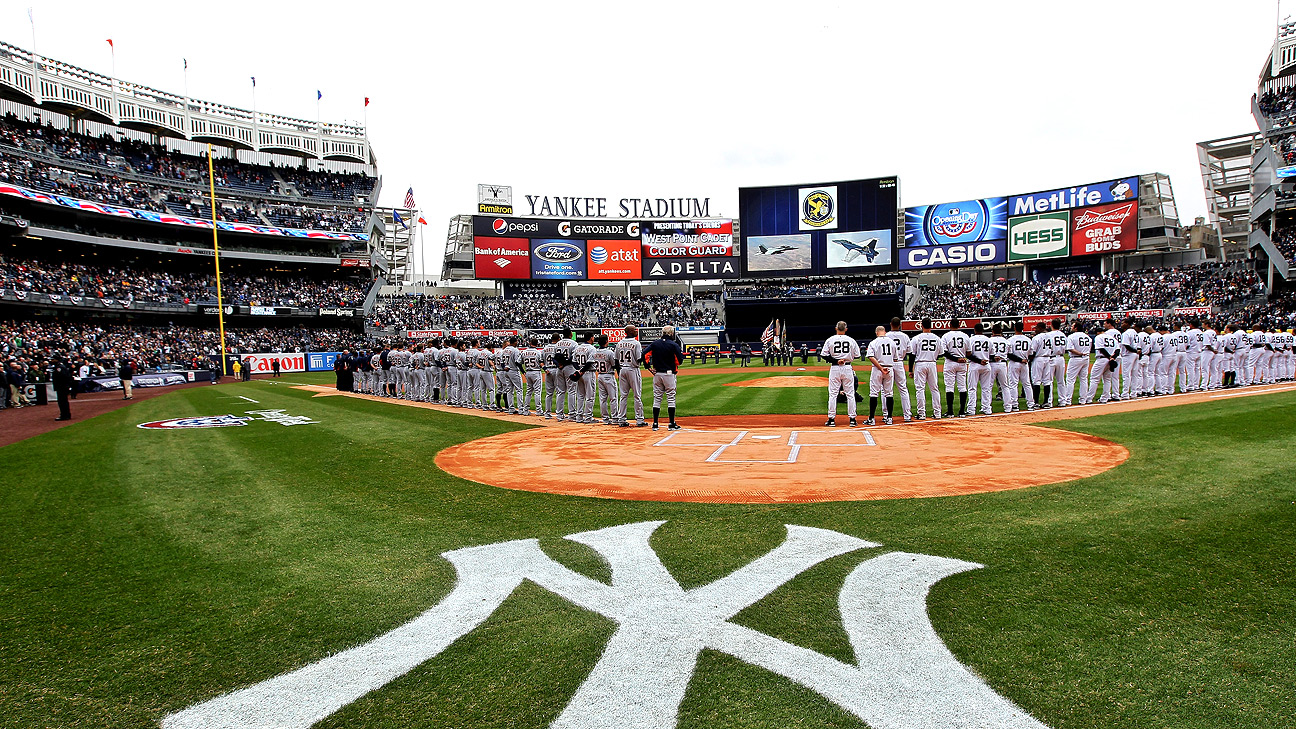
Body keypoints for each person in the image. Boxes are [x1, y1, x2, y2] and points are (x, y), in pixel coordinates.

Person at [643, 324, 684, 431]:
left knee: (657, 398)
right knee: (671, 398)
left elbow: (644, 354)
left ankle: (655, 423)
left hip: (657, 374)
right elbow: (679, 360)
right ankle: (671, 423)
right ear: (671, 333)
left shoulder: (655, 343)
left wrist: (648, 367)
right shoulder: (673, 344)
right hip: (669, 373)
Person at [821, 321, 861, 427]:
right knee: (850, 394)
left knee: (833, 394)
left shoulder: (830, 340)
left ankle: (831, 419)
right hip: (847, 367)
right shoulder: (851, 340)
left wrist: (836, 360)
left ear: (836, 328)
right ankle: (852, 419)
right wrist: (846, 357)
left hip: (835, 368)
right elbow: (857, 355)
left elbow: (824, 355)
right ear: (846, 329)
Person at [615, 325, 648, 427]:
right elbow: (638, 359)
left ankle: (621, 419)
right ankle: (639, 420)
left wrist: (619, 372)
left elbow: (616, 360)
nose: (636, 331)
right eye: (634, 330)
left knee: (623, 396)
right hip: (633, 369)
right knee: (637, 395)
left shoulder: (619, 343)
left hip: (622, 369)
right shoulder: (636, 343)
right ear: (629, 332)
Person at [909, 318, 943, 420]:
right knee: (934, 388)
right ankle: (937, 413)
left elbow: (912, 355)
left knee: (920, 389)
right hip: (932, 363)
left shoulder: (916, 338)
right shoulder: (937, 338)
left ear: (921, 325)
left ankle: (921, 413)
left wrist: (910, 369)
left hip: (920, 363)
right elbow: (941, 354)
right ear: (931, 326)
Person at [864, 325, 897, 426]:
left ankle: (871, 418)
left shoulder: (874, 342)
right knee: (889, 393)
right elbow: (895, 358)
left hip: (878, 369)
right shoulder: (892, 342)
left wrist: (880, 368)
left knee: (874, 393)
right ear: (885, 332)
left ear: (876, 332)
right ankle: (889, 418)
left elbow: (870, 357)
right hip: (889, 368)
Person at [885, 318, 913, 422]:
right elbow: (910, 352)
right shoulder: (905, 336)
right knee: (903, 389)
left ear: (890, 324)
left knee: (886, 390)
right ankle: (907, 415)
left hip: (888, 363)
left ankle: (886, 415)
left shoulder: (886, 335)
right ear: (900, 325)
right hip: (899, 362)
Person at [52, 354, 74, 421]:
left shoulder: (60, 367)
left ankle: (64, 415)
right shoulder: (60, 366)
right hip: (62, 386)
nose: (52, 360)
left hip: (61, 386)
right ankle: (66, 414)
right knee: (63, 401)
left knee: (62, 401)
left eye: (53, 359)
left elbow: (63, 377)